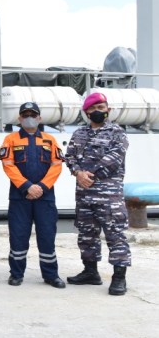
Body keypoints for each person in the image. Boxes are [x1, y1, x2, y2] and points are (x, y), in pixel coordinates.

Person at [65, 92, 131, 296]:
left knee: (115, 235)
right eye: (92, 108)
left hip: (108, 196)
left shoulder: (117, 133)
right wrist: (78, 173)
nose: (97, 111)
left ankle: (119, 278)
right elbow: (70, 157)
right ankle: (90, 272)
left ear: (108, 110)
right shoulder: (79, 133)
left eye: (101, 108)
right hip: (84, 195)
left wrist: (88, 175)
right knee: (87, 235)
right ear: (86, 112)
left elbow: (115, 158)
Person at [0, 101, 66, 289]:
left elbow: (56, 165)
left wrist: (41, 187)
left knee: (47, 236)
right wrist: (27, 186)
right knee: (18, 236)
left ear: (39, 118)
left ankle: (51, 275)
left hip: (45, 198)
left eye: (33, 115)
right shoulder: (11, 140)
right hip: (20, 197)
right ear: (19, 119)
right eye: (25, 115)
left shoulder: (49, 140)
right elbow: (8, 165)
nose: (29, 118)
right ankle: (16, 274)